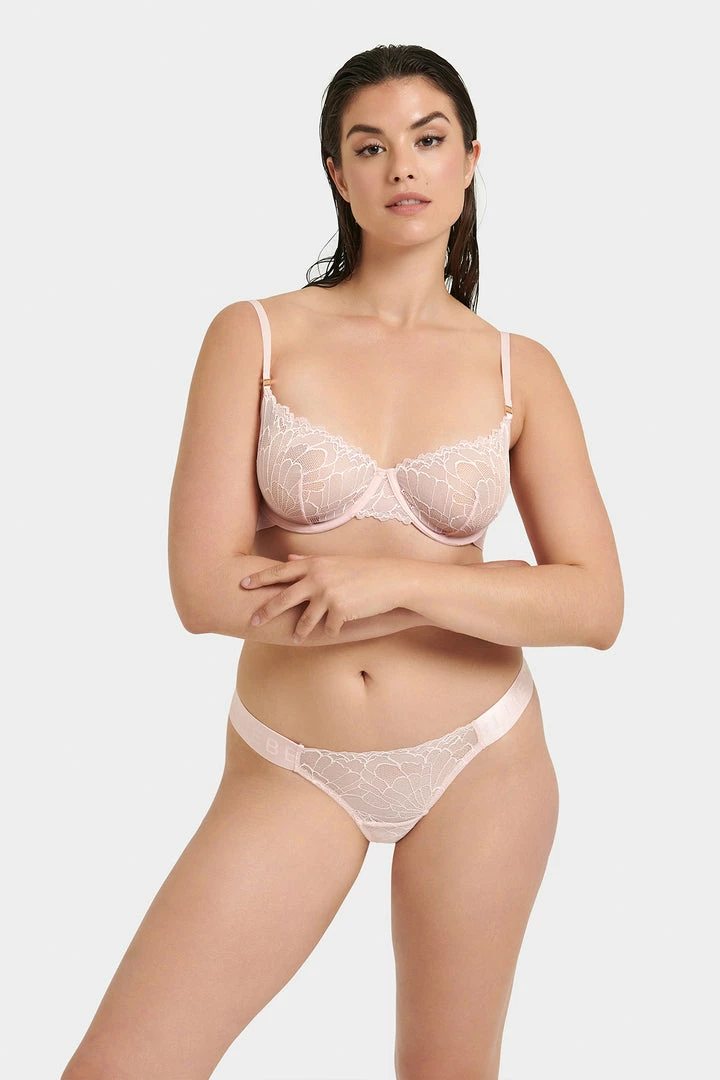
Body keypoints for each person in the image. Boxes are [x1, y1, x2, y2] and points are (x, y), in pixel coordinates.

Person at [61, 42, 624, 1080]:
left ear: (470, 161)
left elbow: (594, 607)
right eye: (369, 147)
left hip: (484, 760)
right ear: (338, 174)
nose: (402, 165)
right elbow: (202, 591)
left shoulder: (520, 368)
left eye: (428, 139)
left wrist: (393, 582)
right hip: (294, 762)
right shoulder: (256, 336)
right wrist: (483, 591)